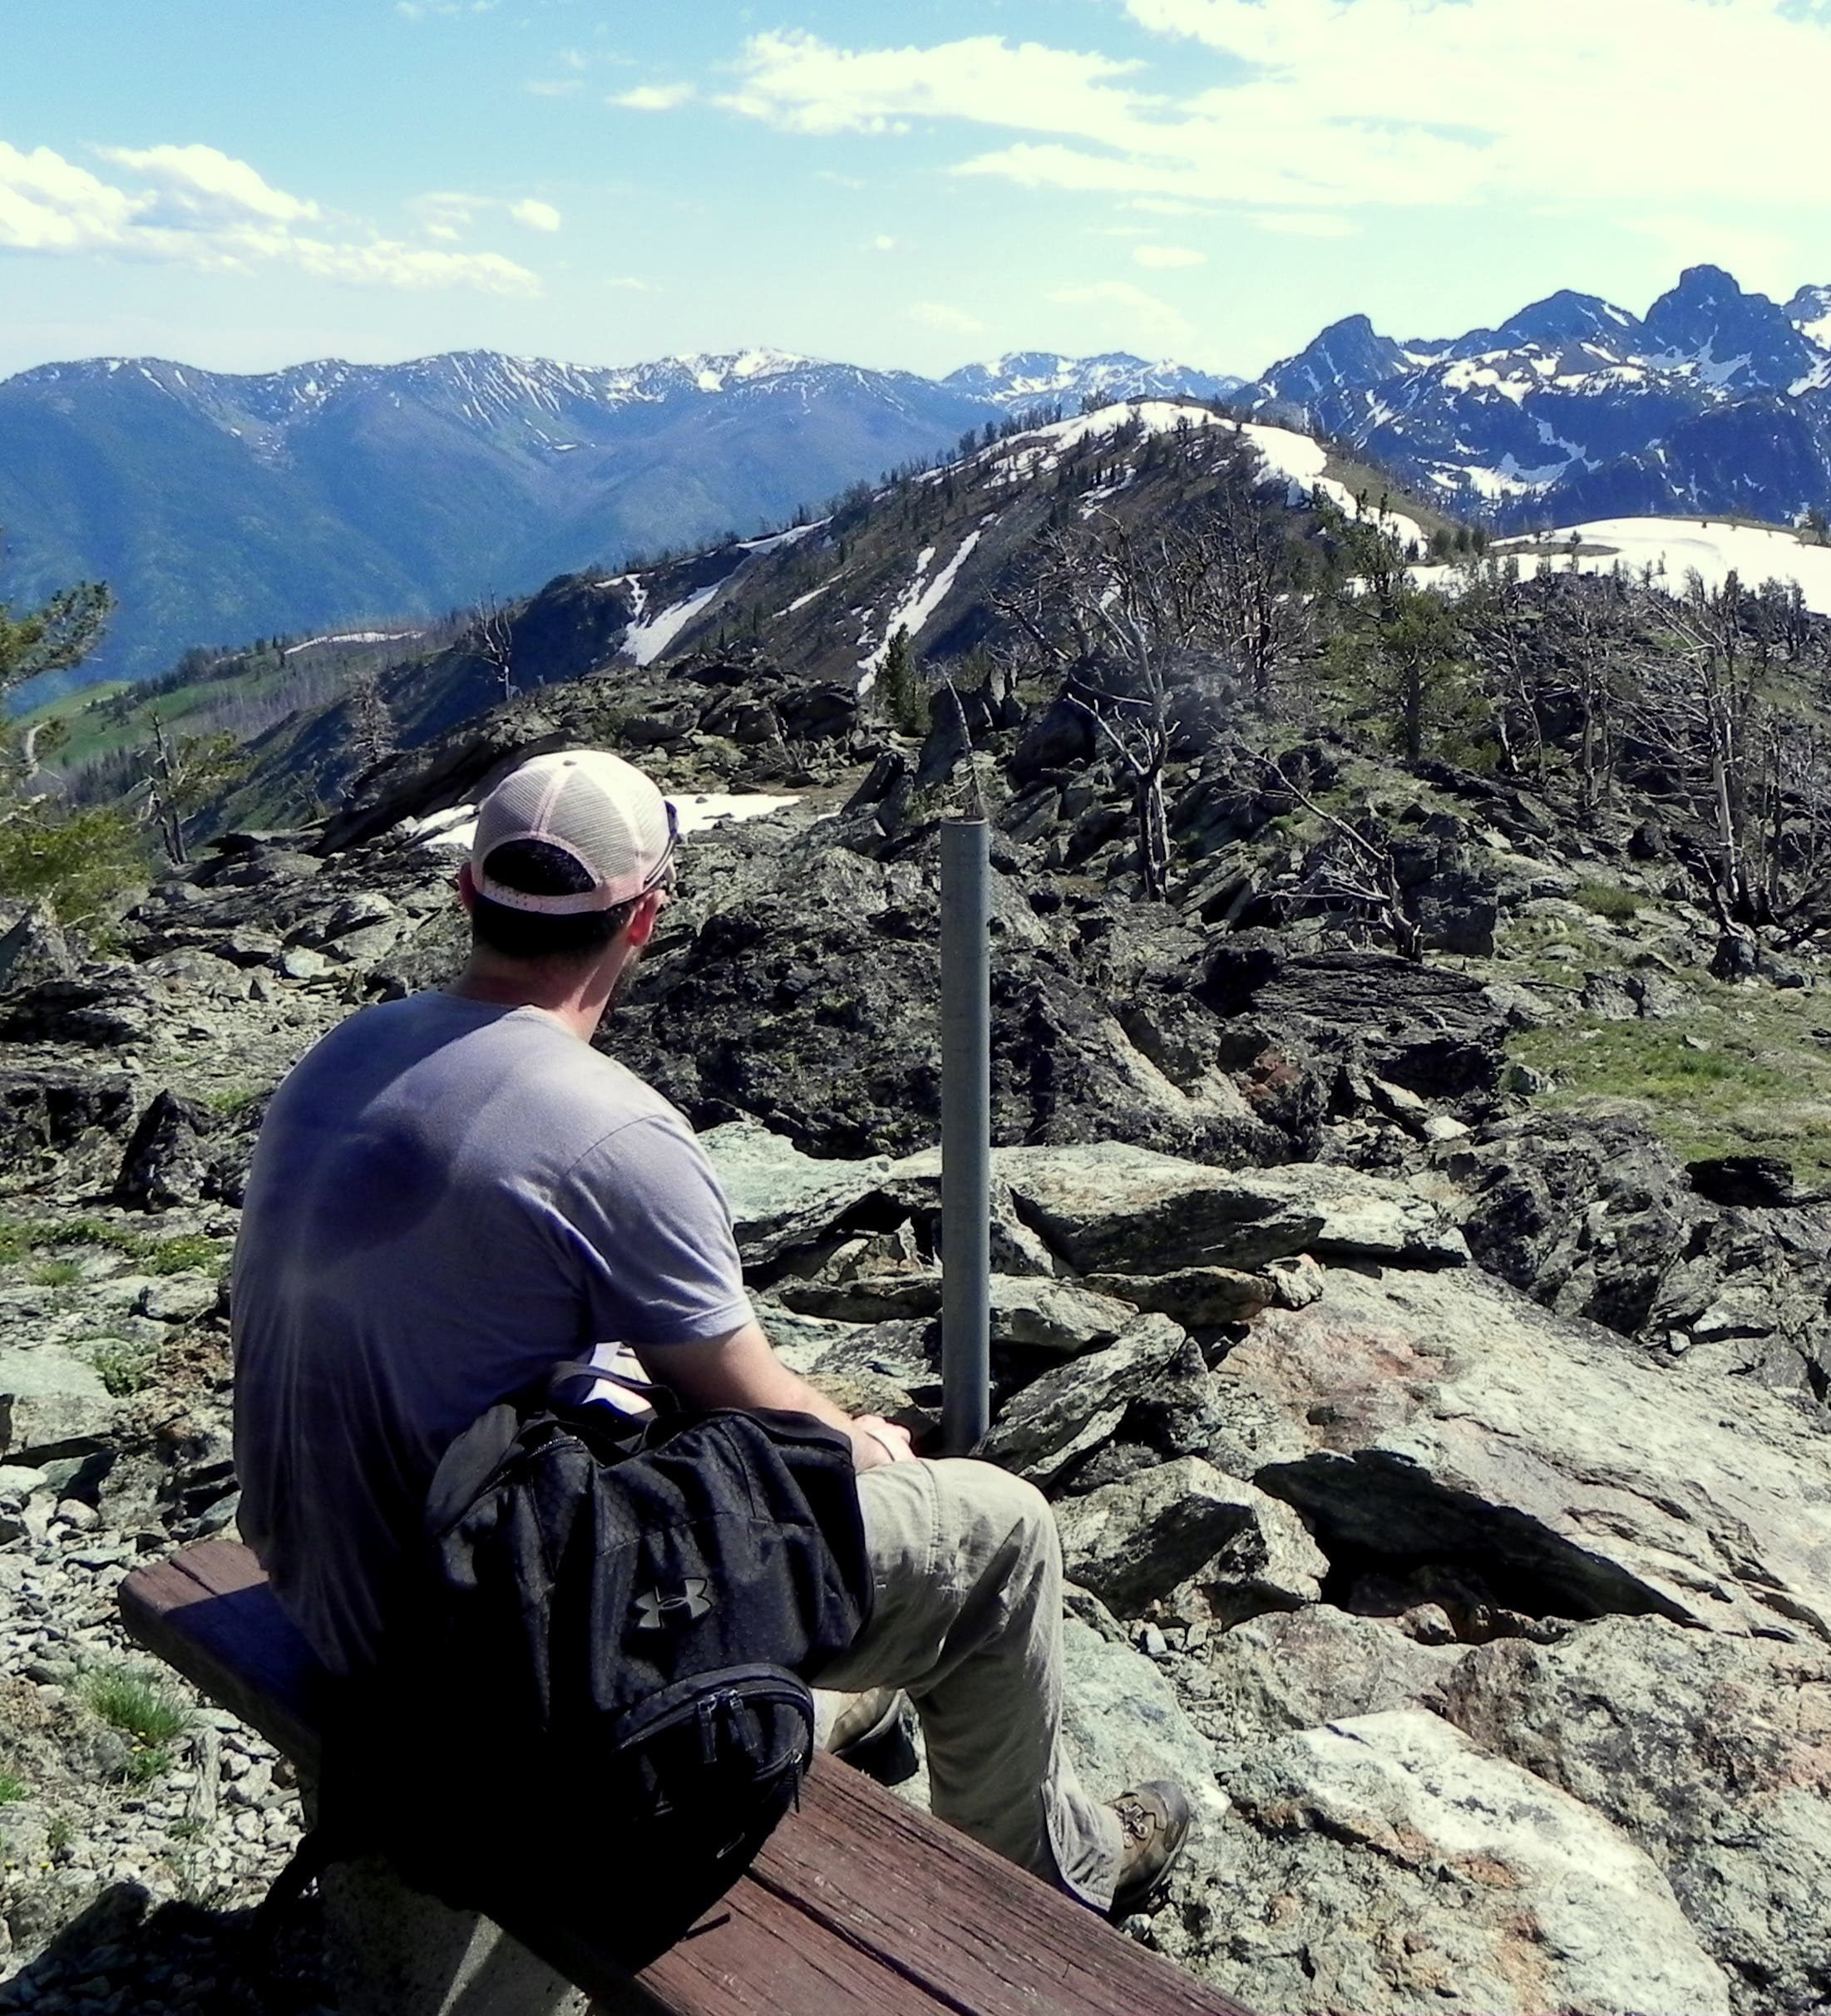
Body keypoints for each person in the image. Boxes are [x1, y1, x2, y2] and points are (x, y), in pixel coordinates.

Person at [230, 747, 1188, 1920]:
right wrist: (871, 1451)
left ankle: (849, 1701)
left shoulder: (346, 1055)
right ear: (647, 916)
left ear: (468, 895)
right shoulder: (608, 1130)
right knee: (998, 1530)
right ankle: (1056, 1880)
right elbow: (756, 1403)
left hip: (320, 1573)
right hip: (476, 1658)